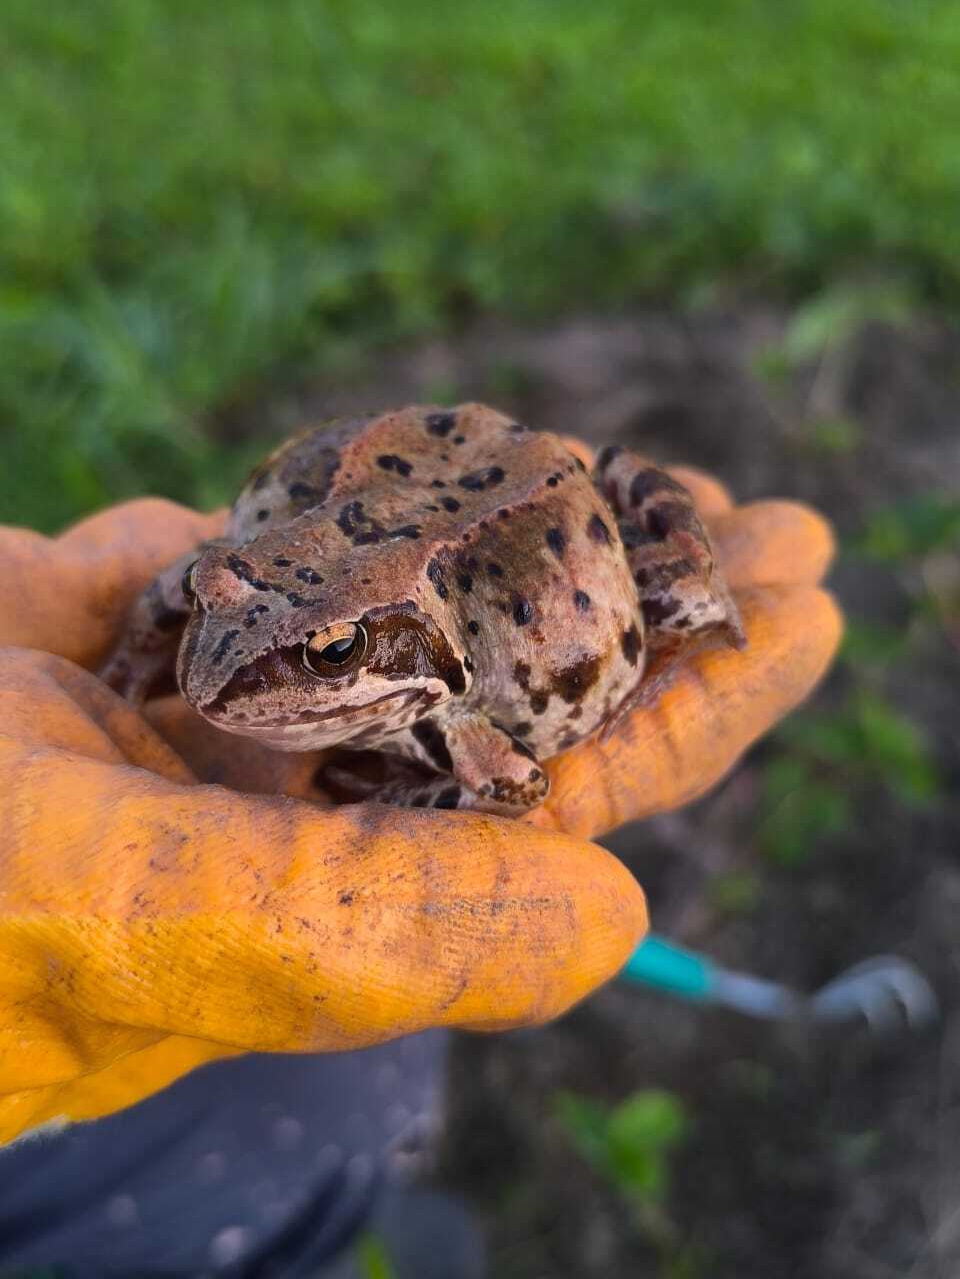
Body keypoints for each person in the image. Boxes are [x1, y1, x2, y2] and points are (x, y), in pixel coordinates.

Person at [0, 473, 839, 1275]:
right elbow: (184, 584)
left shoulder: (452, 698)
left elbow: (515, 782)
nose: (215, 675)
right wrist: (136, 659)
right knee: (342, 1080)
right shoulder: (237, 601)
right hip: (412, 507)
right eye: (221, 599)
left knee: (681, 597)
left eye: (331, 651)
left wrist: (408, 786)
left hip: (524, 536)